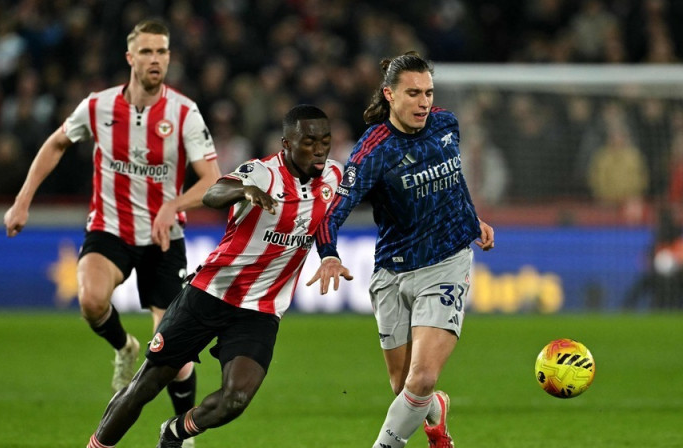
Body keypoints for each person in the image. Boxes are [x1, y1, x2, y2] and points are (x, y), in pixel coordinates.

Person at [3, 19, 221, 444]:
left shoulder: (183, 113)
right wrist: (23, 200)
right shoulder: (98, 107)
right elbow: (56, 143)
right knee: (90, 299)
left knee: (176, 354)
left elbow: (211, 179)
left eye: (162, 52)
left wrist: (173, 205)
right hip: (110, 227)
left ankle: (183, 432)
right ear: (130, 58)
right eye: (147, 52)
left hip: (163, 237)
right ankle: (124, 347)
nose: (155, 59)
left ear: (169, 57)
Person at [85, 104, 346, 448]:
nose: (319, 150)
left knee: (235, 400)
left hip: (260, 310)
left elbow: (334, 217)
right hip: (209, 294)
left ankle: (174, 432)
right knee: (144, 387)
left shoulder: (335, 177)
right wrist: (244, 191)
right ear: (286, 143)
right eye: (309, 141)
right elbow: (213, 193)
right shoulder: (262, 173)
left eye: (325, 141)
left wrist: (329, 256)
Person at [306, 51, 495, 448]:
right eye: (413, 93)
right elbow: (333, 211)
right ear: (390, 95)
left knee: (422, 378)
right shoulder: (373, 151)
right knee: (403, 386)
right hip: (393, 270)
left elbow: (455, 181)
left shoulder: (446, 124)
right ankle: (435, 412)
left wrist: (471, 220)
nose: (424, 102)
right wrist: (328, 253)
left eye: (428, 92)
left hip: (447, 261)